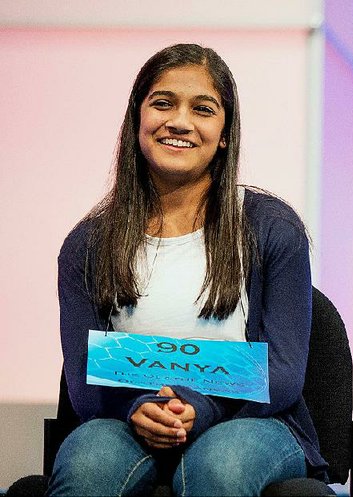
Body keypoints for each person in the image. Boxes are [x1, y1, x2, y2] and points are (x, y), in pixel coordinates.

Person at [47, 43, 325, 496]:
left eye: (203, 109)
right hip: (126, 418)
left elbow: (285, 372)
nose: (179, 121)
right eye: (162, 103)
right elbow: (84, 381)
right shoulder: (87, 245)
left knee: (220, 466)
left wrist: (200, 406)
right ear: (137, 119)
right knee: (87, 465)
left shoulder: (272, 228)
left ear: (225, 133)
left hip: (252, 421)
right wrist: (141, 405)